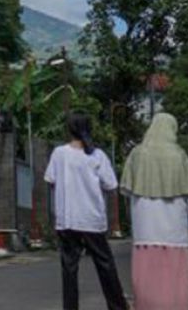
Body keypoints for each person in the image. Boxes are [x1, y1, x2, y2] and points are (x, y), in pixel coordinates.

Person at [45, 112, 129, 310]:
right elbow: (110, 185)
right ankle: (117, 306)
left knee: (69, 269)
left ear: (70, 130)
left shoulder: (59, 153)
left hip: (67, 219)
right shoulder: (97, 155)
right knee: (105, 264)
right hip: (92, 219)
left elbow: (51, 181)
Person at [121, 113, 188, 310]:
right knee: (174, 276)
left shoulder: (137, 154)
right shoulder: (179, 154)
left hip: (145, 226)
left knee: (147, 277)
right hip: (174, 227)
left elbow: (127, 190)